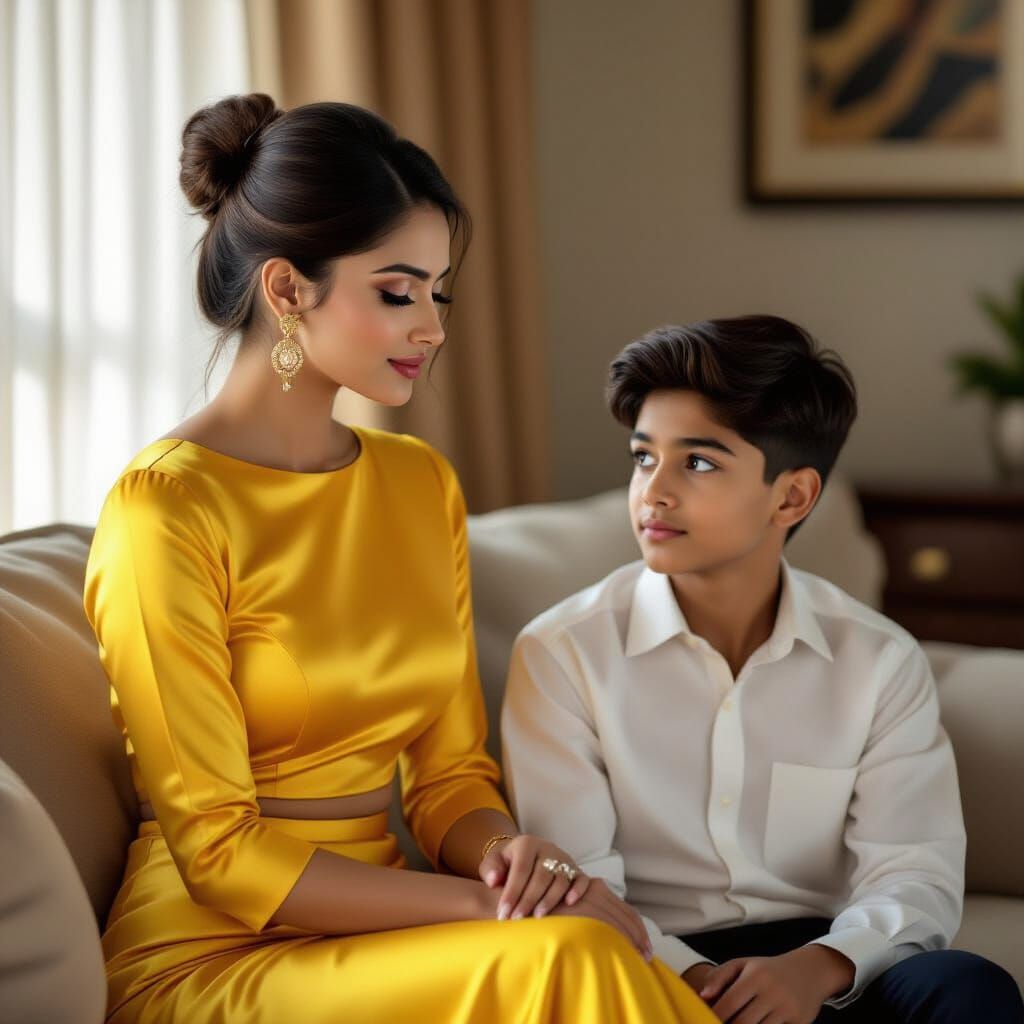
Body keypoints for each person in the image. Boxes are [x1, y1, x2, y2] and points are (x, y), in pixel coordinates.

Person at [82, 94, 716, 1024]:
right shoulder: (165, 509)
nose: (435, 327)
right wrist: (484, 904)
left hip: (384, 937)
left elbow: (449, 772)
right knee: (568, 955)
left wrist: (514, 858)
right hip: (210, 955)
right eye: (397, 291)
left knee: (580, 940)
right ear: (288, 290)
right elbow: (217, 852)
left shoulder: (419, 485)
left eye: (437, 291)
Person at [501, 317, 1024, 1023]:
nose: (652, 492)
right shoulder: (561, 653)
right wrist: (701, 982)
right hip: (646, 968)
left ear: (792, 497)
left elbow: (913, 870)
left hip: (826, 971)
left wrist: (819, 969)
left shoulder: (878, 660)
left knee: (967, 988)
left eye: (699, 462)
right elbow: (579, 885)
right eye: (643, 457)